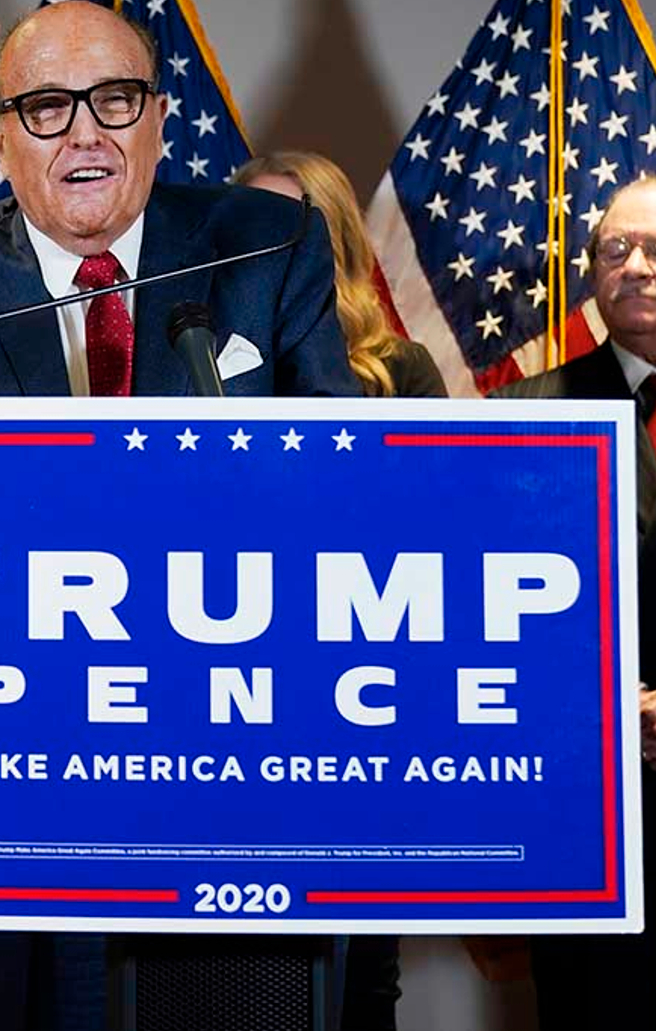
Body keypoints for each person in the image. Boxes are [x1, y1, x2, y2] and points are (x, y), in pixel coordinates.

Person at [0, 0, 357, 1031]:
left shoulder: (262, 240)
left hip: (216, 754)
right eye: (46, 108)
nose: (87, 131)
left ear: (158, 119)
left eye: (115, 100)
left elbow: (332, 472)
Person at [497, 175, 656, 1030]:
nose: (635, 266)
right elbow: (492, 603)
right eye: (615, 249)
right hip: (588, 782)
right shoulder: (519, 413)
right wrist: (613, 705)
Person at [237, 150, 448, 1031]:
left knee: (358, 971)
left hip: (353, 709)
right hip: (224, 709)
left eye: (298, 226)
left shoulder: (401, 372)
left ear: (341, 243)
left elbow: (435, 538)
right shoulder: (185, 358)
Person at [237, 150, 446, 400]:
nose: (268, 243)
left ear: (337, 242)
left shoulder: (403, 368)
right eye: (254, 223)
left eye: (289, 224)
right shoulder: (203, 355)